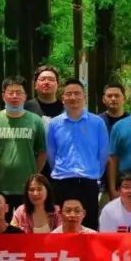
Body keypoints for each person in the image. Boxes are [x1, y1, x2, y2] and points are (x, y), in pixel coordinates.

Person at [46, 79, 109, 230]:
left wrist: (94, 173)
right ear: (63, 98)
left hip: (88, 182)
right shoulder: (54, 124)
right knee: (61, 225)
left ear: (84, 97)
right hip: (62, 181)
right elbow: (51, 154)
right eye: (69, 94)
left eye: (77, 93)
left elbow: (103, 153)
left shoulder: (97, 123)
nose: (73, 97)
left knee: (89, 224)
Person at [0, 75, 47, 214]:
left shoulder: (36, 121)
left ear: (25, 96)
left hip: (27, 188)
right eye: (10, 92)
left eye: (19, 92)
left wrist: (34, 174)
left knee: (27, 223)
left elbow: (42, 152)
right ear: (3, 95)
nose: (15, 96)